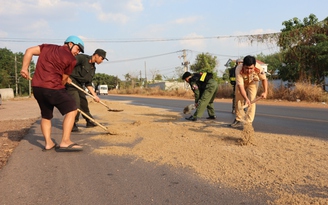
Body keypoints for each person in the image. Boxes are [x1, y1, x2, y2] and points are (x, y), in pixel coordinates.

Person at [20, 35, 85, 151]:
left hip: (37, 88)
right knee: (72, 109)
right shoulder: (71, 59)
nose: (77, 52)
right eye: (78, 49)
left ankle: (48, 143)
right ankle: (65, 141)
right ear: (70, 44)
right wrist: (66, 80)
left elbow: (29, 51)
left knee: (46, 115)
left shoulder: (47, 47)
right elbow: (63, 80)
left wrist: (24, 68)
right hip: (53, 88)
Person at [66, 49, 108, 132]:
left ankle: (89, 121)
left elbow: (88, 84)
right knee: (76, 103)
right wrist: (66, 76)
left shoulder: (93, 69)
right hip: (70, 83)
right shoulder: (82, 58)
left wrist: (94, 95)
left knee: (83, 103)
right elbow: (68, 64)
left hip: (79, 85)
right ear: (96, 55)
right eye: (102, 58)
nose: (102, 61)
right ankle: (72, 124)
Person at [230, 55, 268, 127]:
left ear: (254, 66)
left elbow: (264, 79)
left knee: (252, 100)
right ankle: (238, 119)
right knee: (238, 100)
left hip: (253, 82)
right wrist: (246, 99)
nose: (249, 71)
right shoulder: (238, 69)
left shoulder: (258, 67)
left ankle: (248, 122)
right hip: (241, 83)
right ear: (243, 65)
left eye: (251, 68)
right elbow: (241, 87)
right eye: (247, 68)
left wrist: (265, 91)